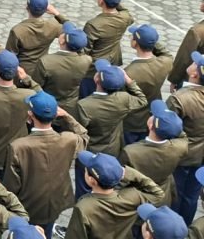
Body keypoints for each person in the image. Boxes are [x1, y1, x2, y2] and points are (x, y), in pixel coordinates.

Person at [3, 91, 88, 239]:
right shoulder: (69, 139)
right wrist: (67, 116)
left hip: (29, 202)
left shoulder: (18, 146)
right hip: (58, 199)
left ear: (30, 115)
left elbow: (12, 183)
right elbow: (84, 136)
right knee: (45, 237)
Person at [60, 152, 164, 239]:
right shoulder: (132, 197)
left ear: (92, 180)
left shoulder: (84, 208)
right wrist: (125, 173)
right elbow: (157, 193)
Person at [73, 60, 147, 199]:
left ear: (96, 79)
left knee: (84, 187)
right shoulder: (124, 99)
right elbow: (142, 99)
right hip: (113, 147)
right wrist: (129, 81)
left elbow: (78, 130)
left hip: (90, 151)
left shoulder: (84, 105)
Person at [119, 100, 188, 207]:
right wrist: (172, 125)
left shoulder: (130, 152)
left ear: (150, 125)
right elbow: (182, 135)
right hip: (164, 195)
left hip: (139, 198)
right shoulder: (180, 147)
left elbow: (122, 178)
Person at [167, 52, 204, 225]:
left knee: (176, 193)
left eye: (195, 63)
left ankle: (172, 227)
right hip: (201, 156)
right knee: (191, 196)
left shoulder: (180, 99)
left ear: (194, 74)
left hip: (182, 155)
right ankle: (185, 227)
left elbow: (167, 129)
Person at [122, 25, 173, 144]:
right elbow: (165, 53)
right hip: (152, 113)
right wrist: (150, 41)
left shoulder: (129, 72)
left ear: (135, 43)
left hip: (132, 120)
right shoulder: (165, 62)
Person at [31, 22, 91, 116]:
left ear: (62, 41)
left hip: (47, 105)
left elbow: (36, 85)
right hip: (70, 105)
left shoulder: (46, 61)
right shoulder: (87, 60)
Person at [5, 0, 68, 74]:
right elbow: (73, 32)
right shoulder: (54, 26)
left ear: (27, 7)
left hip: (22, 71)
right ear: (46, 10)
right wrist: (56, 13)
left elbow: (10, 55)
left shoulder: (17, 30)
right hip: (42, 69)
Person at [84, 0, 133, 74]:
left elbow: (85, 50)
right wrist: (114, 0)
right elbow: (125, 11)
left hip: (95, 66)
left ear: (101, 1)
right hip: (114, 60)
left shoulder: (93, 24)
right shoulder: (126, 17)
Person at [171, 0, 204, 90]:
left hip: (193, 77)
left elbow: (184, 57)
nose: (201, 3)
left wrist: (174, 79)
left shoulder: (197, 31)